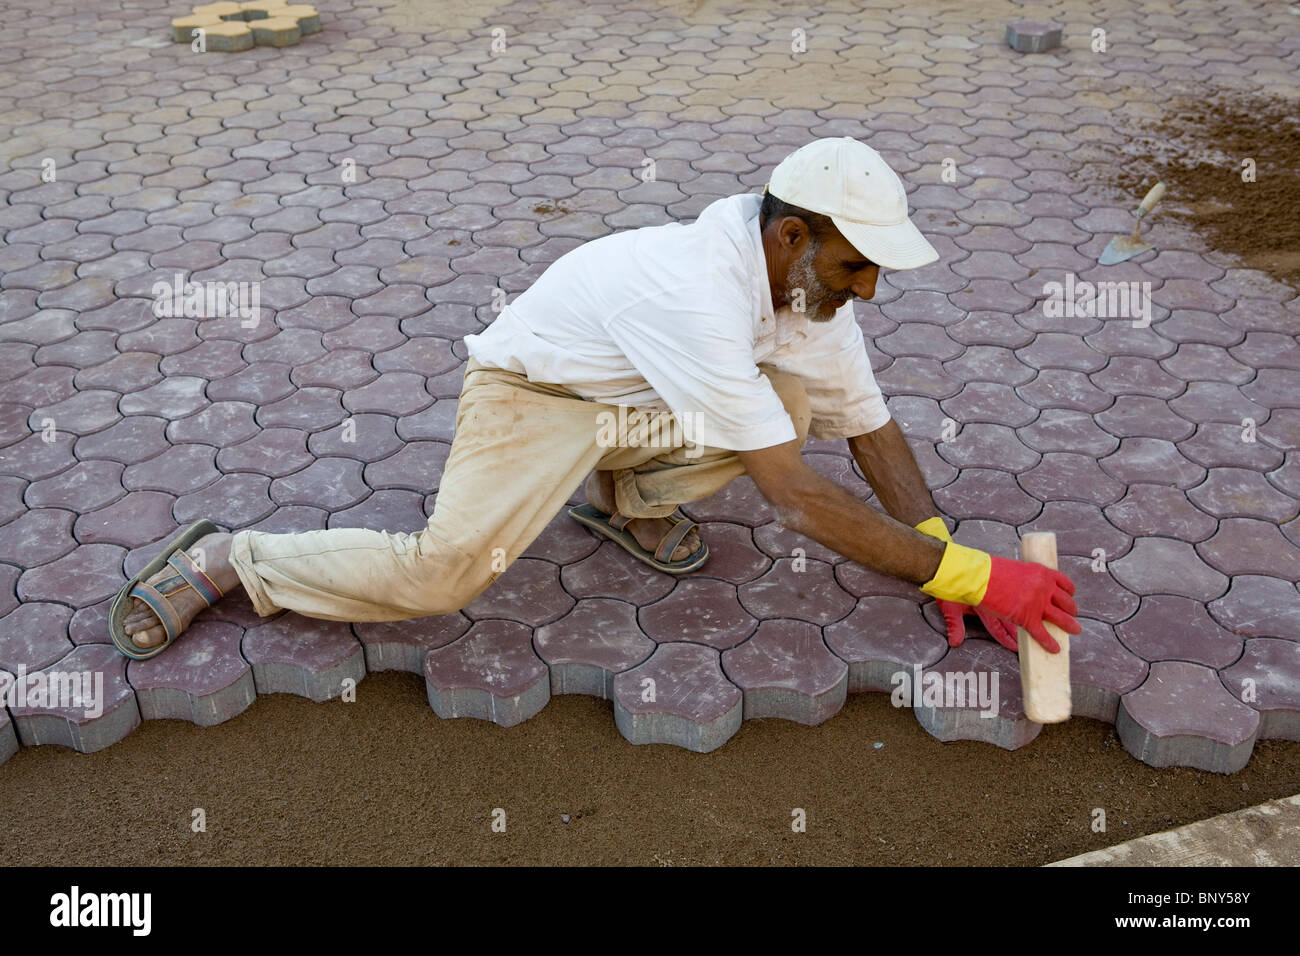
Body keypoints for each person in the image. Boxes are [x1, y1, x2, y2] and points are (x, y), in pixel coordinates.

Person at [112, 137, 1079, 660]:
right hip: (532, 398)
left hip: (628, 403)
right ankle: (236, 559)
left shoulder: (805, 289)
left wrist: (945, 546)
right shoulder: (697, 291)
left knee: (793, 406)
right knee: (445, 576)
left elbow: (867, 424)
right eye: (855, 266)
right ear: (791, 236)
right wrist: (978, 580)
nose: (865, 289)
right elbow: (797, 499)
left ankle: (624, 503)